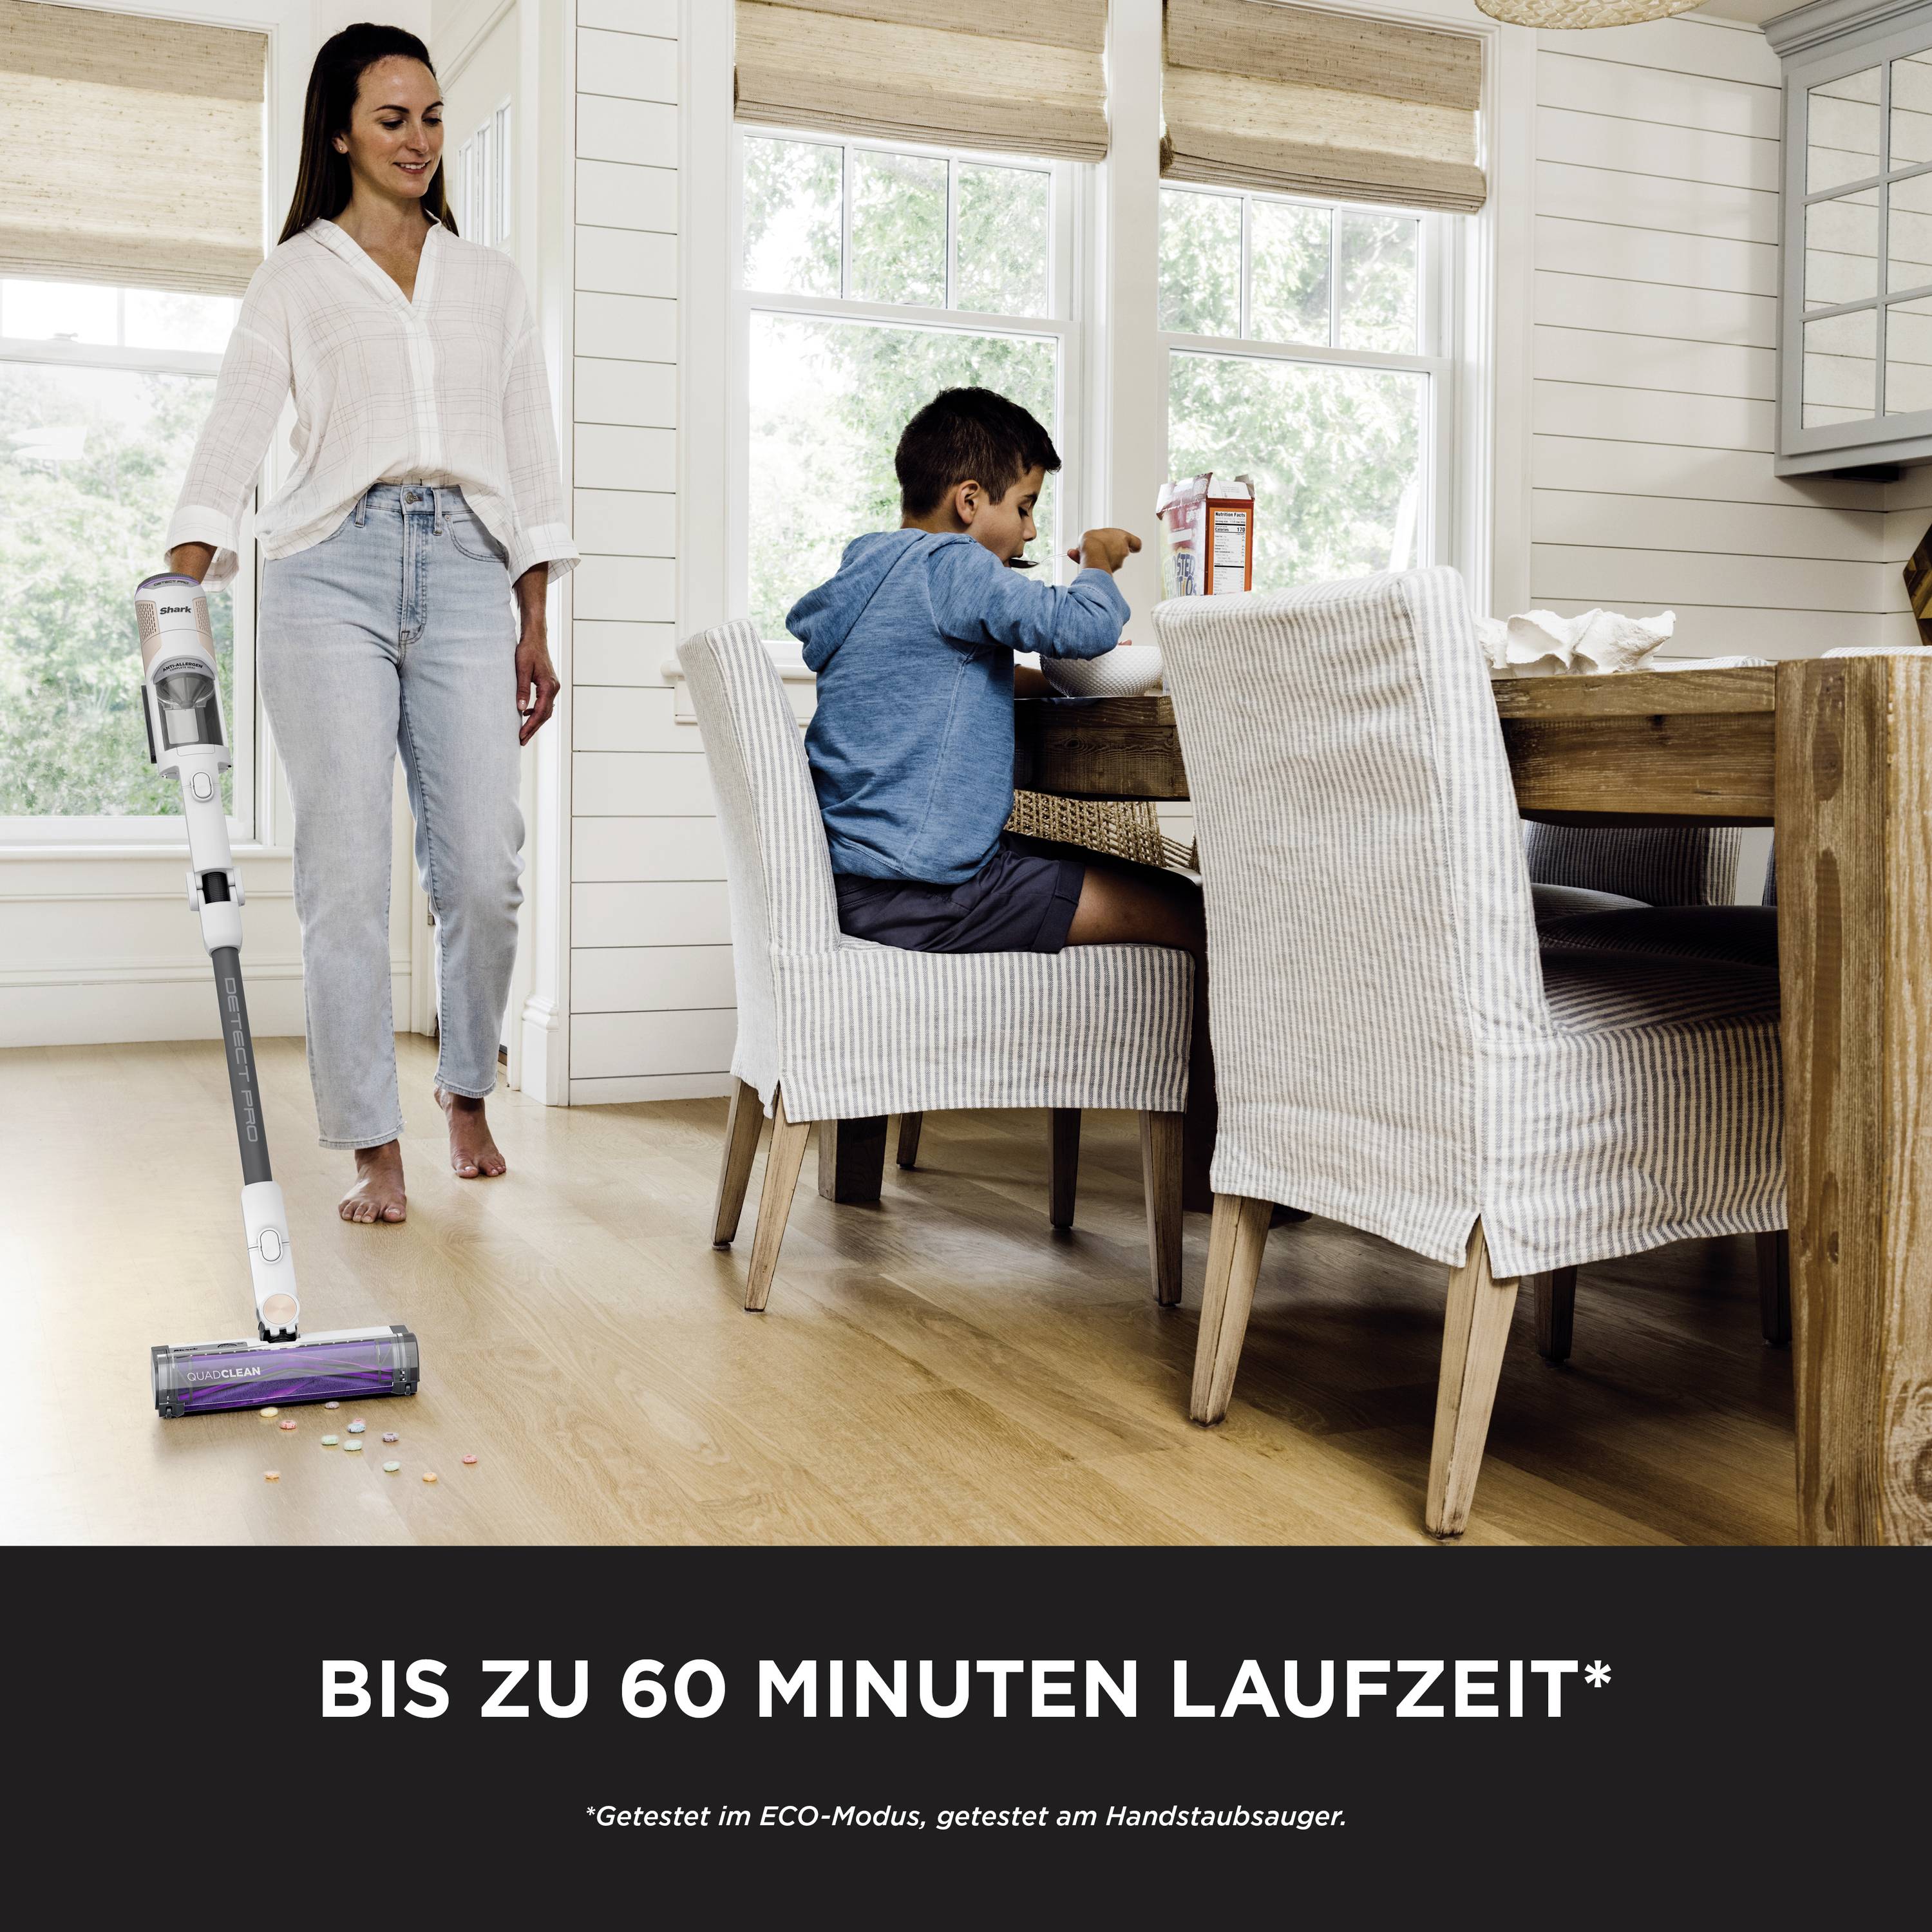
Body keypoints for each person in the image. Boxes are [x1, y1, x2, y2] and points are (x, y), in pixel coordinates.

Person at [165, 24, 575, 1226]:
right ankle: (370, 1141)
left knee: (483, 873)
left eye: (433, 117)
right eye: (392, 118)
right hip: (322, 573)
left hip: (464, 570)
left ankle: (463, 1087)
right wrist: (179, 577)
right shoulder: (295, 274)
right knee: (342, 876)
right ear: (341, 129)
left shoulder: (489, 281)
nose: (419, 140)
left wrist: (533, 616)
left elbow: (529, 458)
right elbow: (238, 429)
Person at [787, 387, 1217, 1204]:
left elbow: (939, 672)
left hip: (861, 886)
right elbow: (1080, 628)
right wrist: (1097, 564)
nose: (1027, 531)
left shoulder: (870, 570)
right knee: (1192, 912)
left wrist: (1028, 687)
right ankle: (1218, 1180)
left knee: (1077, 862)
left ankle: (853, 1180)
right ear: (969, 501)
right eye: (1024, 508)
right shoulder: (952, 565)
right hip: (932, 893)